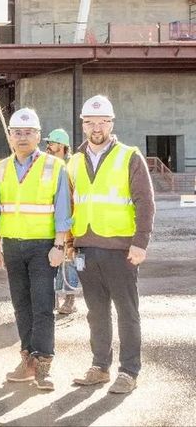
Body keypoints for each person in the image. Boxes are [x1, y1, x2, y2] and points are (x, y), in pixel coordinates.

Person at [67, 95, 155, 395]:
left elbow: (145, 203)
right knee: (96, 312)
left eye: (102, 121)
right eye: (90, 122)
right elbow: (69, 204)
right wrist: (69, 242)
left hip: (121, 249)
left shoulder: (129, 156)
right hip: (85, 249)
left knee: (127, 311)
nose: (96, 127)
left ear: (111, 123)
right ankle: (99, 366)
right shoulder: (75, 161)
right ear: (83, 124)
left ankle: (129, 371)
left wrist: (140, 242)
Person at [0, 108, 72, 392]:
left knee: (42, 306)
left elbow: (63, 209)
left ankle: (44, 364)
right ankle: (26, 358)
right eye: (18, 133)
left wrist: (59, 245)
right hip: (12, 246)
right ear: (10, 137)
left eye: (28, 133)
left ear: (39, 136)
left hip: (42, 248)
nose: (23, 137)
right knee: (21, 305)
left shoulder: (54, 166)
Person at [43, 129, 81, 315]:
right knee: (52, 260)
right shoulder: (47, 165)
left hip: (71, 221)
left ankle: (70, 298)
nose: (48, 146)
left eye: (51, 143)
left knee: (69, 259)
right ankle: (53, 298)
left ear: (61, 146)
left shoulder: (71, 166)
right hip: (50, 221)